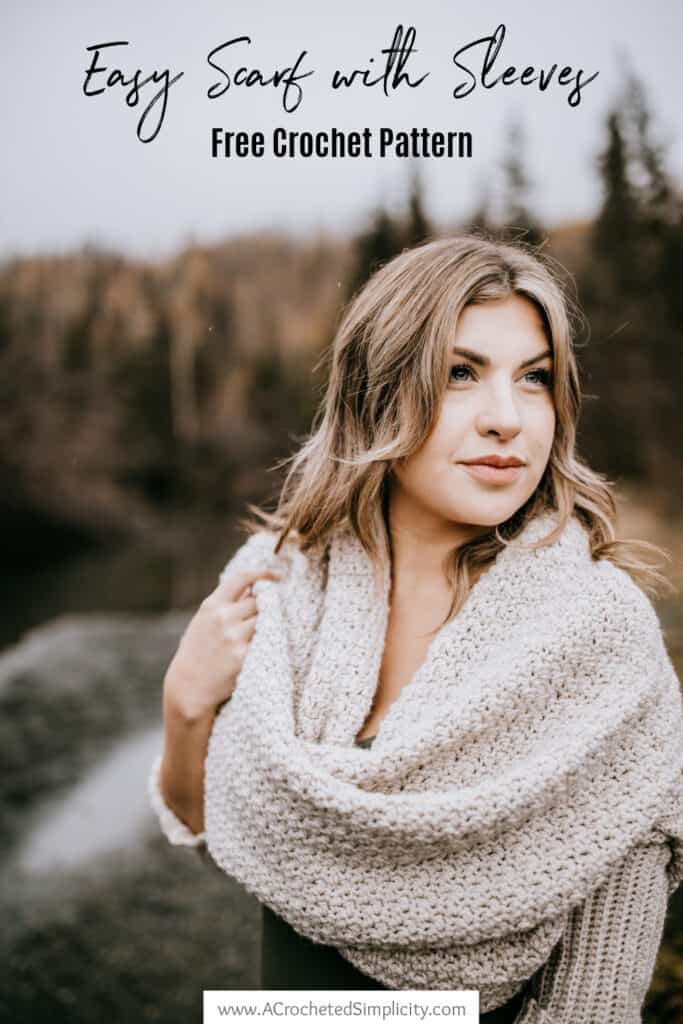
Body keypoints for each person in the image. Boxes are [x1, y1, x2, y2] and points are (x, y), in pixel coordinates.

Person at [148, 235, 683, 1022]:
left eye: (533, 379)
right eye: (460, 373)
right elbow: (215, 835)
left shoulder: (597, 634)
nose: (506, 419)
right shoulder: (284, 582)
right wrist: (185, 705)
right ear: (376, 390)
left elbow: (598, 990)